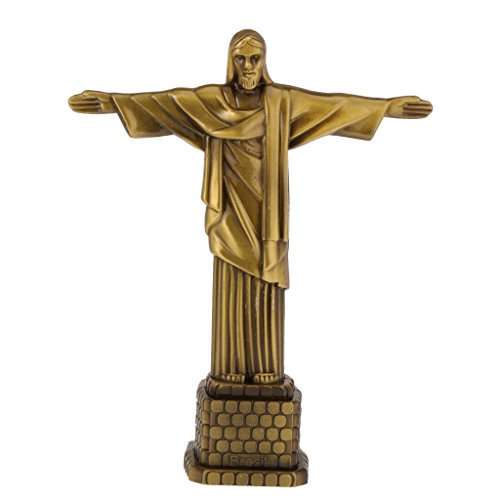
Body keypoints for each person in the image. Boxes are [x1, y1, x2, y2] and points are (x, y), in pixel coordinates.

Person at [69, 29, 432, 386]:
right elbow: (165, 104)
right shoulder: (213, 103)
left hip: (267, 213)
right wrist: (113, 103)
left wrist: (386, 108)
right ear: (230, 62)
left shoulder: (280, 103)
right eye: (240, 59)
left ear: (264, 62)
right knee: (232, 282)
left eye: (255, 59)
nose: (248, 67)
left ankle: (265, 369)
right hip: (230, 208)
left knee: (264, 283)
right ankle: (227, 367)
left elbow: (335, 107)